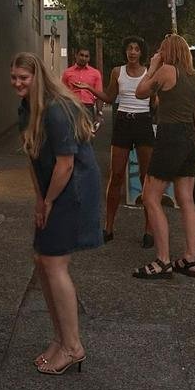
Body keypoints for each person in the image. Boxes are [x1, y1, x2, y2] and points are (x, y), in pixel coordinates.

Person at [11, 52, 102, 375]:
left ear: (38, 78)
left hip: (72, 189)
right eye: (14, 77)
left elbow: (66, 163)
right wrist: (39, 199)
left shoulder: (57, 111)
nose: (18, 83)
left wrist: (48, 202)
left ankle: (73, 347)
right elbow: (34, 159)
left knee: (54, 262)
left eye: (24, 77)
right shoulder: (26, 110)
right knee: (41, 259)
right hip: (51, 187)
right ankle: (60, 338)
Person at [133, 34, 195, 279]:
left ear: (167, 52)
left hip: (170, 137)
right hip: (189, 140)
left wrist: (152, 67)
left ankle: (162, 260)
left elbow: (140, 93)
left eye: (161, 50)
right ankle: (190, 259)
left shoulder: (165, 71)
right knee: (186, 199)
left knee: (150, 197)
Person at [73, 36, 155, 247]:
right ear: (125, 51)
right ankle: (108, 227)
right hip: (123, 123)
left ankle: (149, 229)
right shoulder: (117, 72)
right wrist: (90, 89)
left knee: (146, 178)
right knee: (116, 174)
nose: (133, 52)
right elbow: (109, 97)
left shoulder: (150, 72)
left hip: (143, 123)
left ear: (141, 52)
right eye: (129, 48)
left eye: (136, 49)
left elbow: (156, 99)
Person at [61, 47, 103, 127]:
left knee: (87, 135)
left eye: (86, 56)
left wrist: (99, 113)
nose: (83, 58)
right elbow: (62, 93)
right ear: (76, 55)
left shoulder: (95, 73)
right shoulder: (67, 73)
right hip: (72, 106)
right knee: (71, 134)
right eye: (81, 55)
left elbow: (99, 95)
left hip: (88, 108)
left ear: (89, 58)